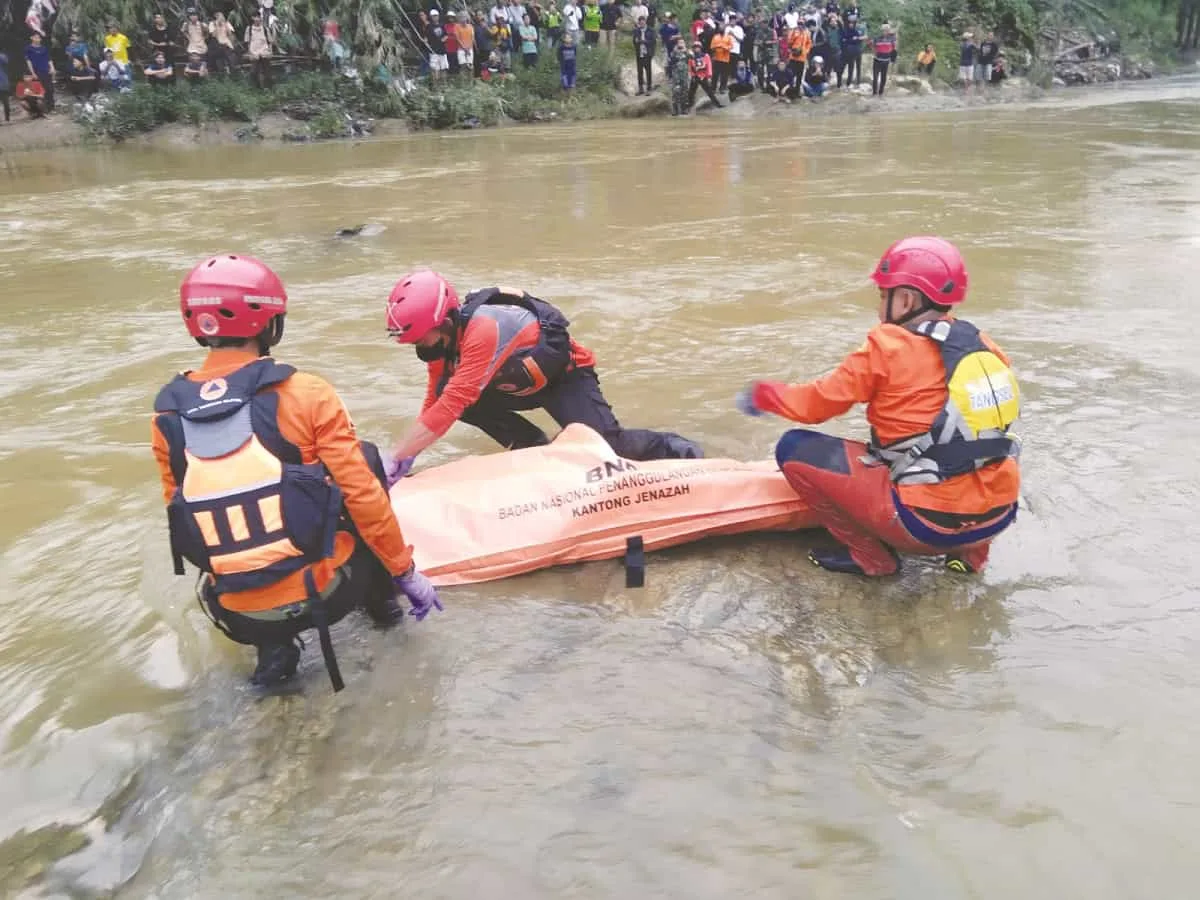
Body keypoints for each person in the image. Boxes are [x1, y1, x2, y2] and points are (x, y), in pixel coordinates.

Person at [150, 255, 443, 690]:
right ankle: (385, 612)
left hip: (235, 612)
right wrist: (406, 572)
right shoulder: (305, 393)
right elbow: (364, 498)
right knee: (363, 460)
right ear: (271, 323)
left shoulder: (167, 415)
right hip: (325, 597)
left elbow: (184, 512)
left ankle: (274, 650)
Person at [736, 237, 1021, 577]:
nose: (879, 307)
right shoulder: (985, 345)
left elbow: (815, 406)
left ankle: (872, 559)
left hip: (925, 525)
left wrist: (766, 396)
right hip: (998, 516)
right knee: (979, 448)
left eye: (883, 296)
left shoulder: (885, 347)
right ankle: (969, 559)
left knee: (793, 447)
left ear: (905, 300)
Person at [383, 271, 704, 480]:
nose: (419, 346)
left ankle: (677, 449)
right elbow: (435, 399)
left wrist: (396, 454)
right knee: (448, 394)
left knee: (608, 449)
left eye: (420, 337)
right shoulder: (442, 343)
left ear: (446, 322)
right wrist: (408, 458)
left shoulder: (483, 329)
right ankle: (534, 449)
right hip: (517, 384)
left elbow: (451, 404)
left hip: (565, 377)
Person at [869, 21, 896, 96]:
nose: (885, 32)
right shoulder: (877, 38)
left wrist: (892, 58)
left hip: (886, 61)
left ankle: (881, 92)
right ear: (881, 31)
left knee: (883, 78)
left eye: (887, 30)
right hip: (877, 60)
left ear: (888, 31)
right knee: (875, 78)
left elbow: (894, 48)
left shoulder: (891, 38)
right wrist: (874, 51)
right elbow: (871, 44)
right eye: (884, 30)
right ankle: (874, 93)